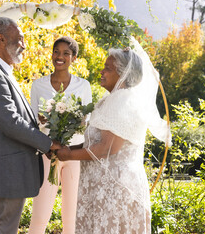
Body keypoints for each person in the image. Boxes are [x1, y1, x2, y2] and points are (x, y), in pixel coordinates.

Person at [56, 39, 171, 233]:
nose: (101, 71)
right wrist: (67, 148)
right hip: (103, 188)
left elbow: (106, 149)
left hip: (115, 190)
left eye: (107, 68)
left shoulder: (123, 102)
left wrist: (69, 156)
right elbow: (96, 141)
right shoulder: (109, 100)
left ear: (123, 73)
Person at [0, 17, 61, 234]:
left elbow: (12, 117)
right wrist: (48, 144)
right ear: (1, 39)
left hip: (11, 171)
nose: (24, 45)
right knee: (3, 229)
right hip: (6, 172)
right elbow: (10, 123)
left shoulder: (1, 72)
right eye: (20, 39)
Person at [28, 36, 92, 234]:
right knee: (40, 215)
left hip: (74, 154)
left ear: (73, 58)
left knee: (71, 216)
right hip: (48, 155)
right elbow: (32, 120)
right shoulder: (38, 85)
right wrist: (43, 121)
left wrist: (74, 121)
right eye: (57, 51)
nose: (60, 56)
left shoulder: (84, 86)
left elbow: (86, 121)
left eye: (66, 53)